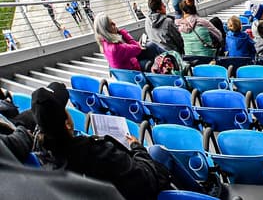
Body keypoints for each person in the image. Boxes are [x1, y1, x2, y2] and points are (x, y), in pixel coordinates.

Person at [29, 82, 176, 200]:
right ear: (67, 124)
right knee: (158, 152)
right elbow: (145, 179)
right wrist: (138, 148)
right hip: (142, 190)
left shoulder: (42, 159)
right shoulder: (98, 153)